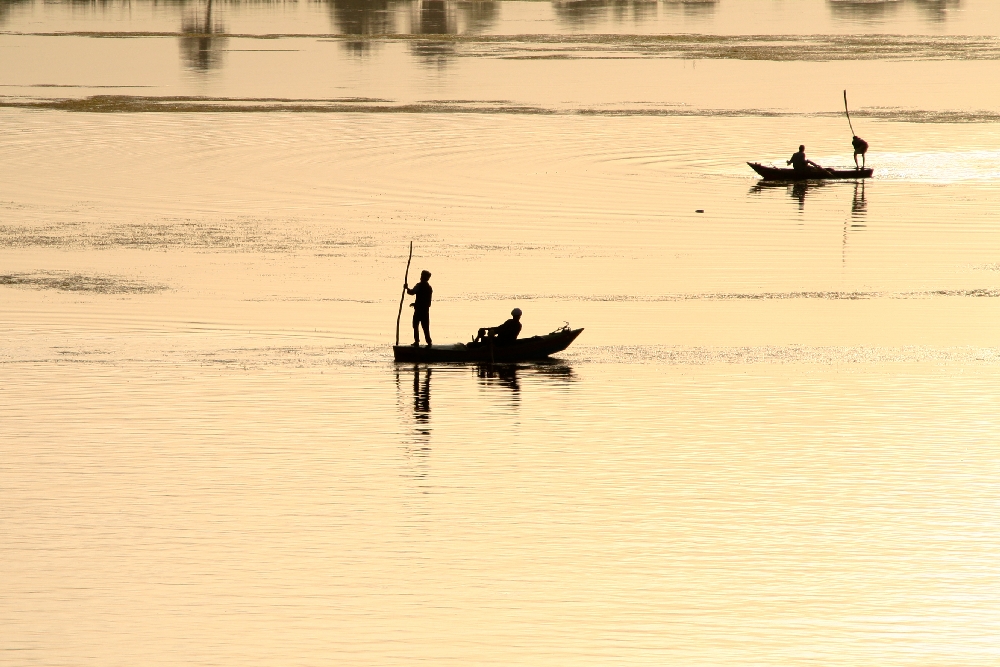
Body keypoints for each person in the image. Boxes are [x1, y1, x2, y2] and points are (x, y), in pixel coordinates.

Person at [405, 270, 432, 347]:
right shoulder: (429, 287)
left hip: (419, 311)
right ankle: (429, 342)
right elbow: (425, 300)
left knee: (415, 325)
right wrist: (415, 304)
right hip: (425, 310)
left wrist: (407, 288)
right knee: (425, 327)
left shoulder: (419, 286)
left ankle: (417, 341)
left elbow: (412, 292)